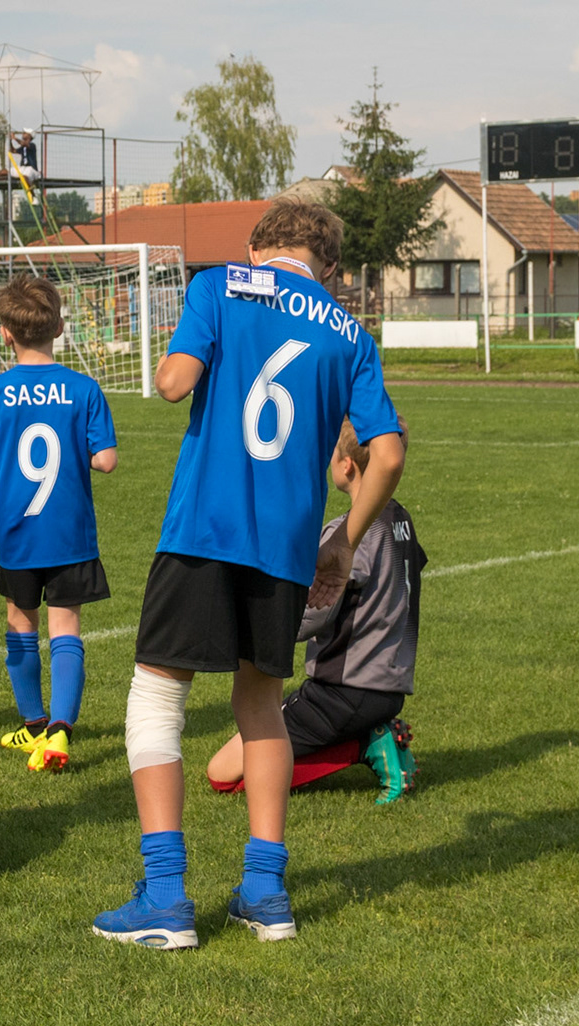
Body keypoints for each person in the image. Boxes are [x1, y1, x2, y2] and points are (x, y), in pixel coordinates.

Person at [93, 199, 403, 950]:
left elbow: (172, 383)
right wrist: (342, 544)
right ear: (329, 266)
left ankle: (165, 895)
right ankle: (266, 893)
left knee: (159, 692)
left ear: (259, 245)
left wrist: (181, 358)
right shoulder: (351, 333)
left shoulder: (219, 285)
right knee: (261, 705)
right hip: (288, 547)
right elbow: (387, 454)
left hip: (205, 527)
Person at [206, 417, 426, 805]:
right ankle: (372, 735)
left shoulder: (347, 535)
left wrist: (259, 628)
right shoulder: (401, 520)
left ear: (347, 465)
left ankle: (366, 745)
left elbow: (316, 612)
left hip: (342, 692)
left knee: (223, 776)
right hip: (389, 687)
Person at [0, 273, 118, 775]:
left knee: (20, 622)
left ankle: (32, 722)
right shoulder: (83, 388)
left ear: (5, 332)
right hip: (68, 532)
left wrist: (1, 457)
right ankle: (58, 735)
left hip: (17, 535)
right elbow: (107, 460)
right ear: (59, 327)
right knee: (66, 625)